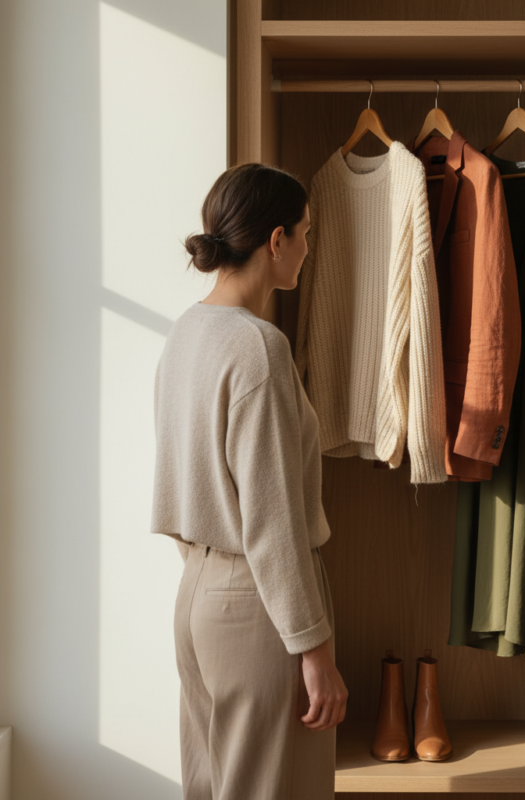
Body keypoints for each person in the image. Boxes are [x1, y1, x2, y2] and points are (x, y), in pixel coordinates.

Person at [150, 163, 347, 799]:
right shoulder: (259, 347)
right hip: (257, 608)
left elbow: (182, 479)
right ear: (276, 240)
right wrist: (314, 650)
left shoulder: (187, 332)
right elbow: (273, 520)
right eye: (306, 232)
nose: (308, 248)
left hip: (197, 596)